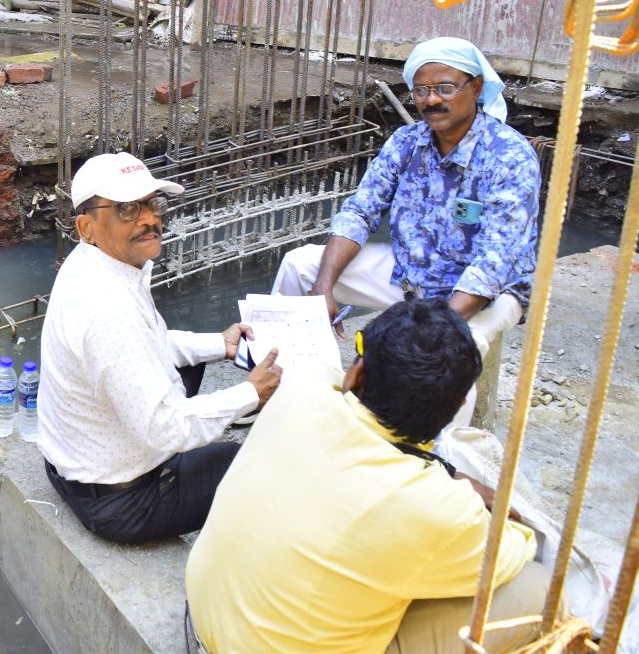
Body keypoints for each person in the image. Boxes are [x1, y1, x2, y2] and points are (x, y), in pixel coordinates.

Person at [186, 298, 551, 654]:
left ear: (356, 373)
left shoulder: (303, 387)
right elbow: (516, 546)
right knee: (538, 589)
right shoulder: (435, 507)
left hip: (201, 621)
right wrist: (457, 488)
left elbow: (330, 380)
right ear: (453, 410)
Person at [272, 37, 539, 416]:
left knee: (450, 358)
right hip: (412, 273)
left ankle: (446, 457)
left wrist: (425, 329)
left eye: (445, 88)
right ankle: (290, 385)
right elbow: (361, 211)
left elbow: (494, 262)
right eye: (421, 90)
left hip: (486, 294)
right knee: (300, 265)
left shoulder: (509, 157)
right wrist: (323, 287)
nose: (431, 100)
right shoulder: (407, 142)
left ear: (476, 87)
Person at [38, 152, 282, 544]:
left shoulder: (99, 264)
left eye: (153, 203)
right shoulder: (105, 309)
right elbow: (162, 429)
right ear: (86, 227)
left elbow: (146, 345)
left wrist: (219, 345)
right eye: (127, 209)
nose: (149, 218)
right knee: (255, 466)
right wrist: (250, 394)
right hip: (120, 502)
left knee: (191, 367)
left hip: (78, 460)